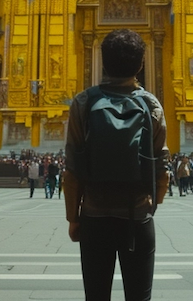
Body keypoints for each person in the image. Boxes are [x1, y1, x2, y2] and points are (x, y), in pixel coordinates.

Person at [64, 29, 168, 301]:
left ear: (103, 61)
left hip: (94, 216)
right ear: (141, 64)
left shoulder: (83, 102)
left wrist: (73, 218)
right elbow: (162, 167)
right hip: (137, 215)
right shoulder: (150, 104)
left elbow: (71, 170)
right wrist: (150, 204)